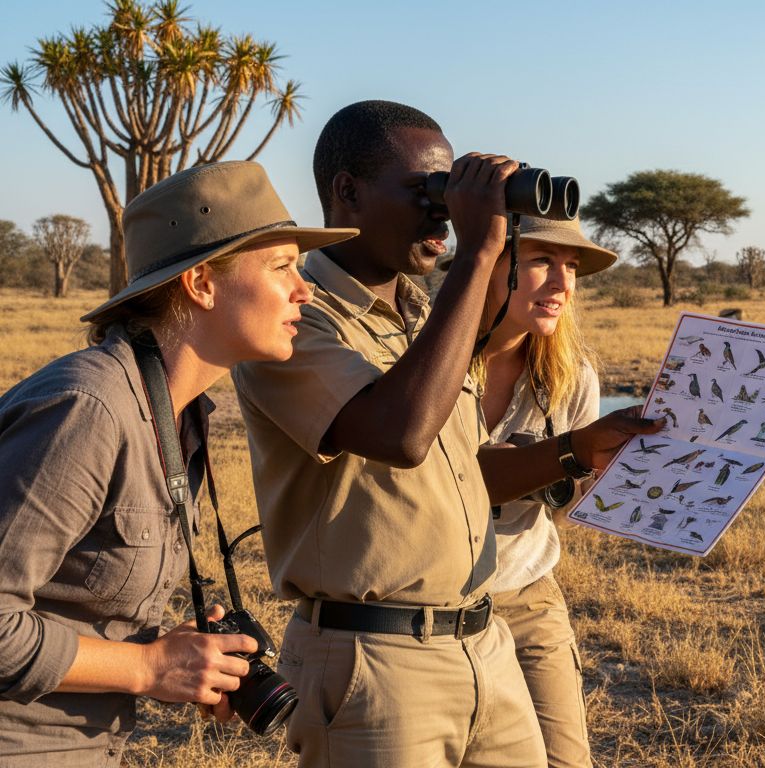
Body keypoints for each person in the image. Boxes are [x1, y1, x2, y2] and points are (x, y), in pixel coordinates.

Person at [231, 100, 659, 767]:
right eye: (425, 191)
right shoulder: (300, 320)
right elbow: (402, 435)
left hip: (480, 637)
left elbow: (462, 465)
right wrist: (482, 250)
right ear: (347, 192)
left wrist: (578, 451)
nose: (442, 213)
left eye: (449, 194)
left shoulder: (422, 314)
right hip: (373, 658)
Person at [0, 161, 357, 766]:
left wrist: (179, 659)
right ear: (201, 284)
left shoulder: (171, 412)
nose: (306, 289)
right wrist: (146, 666)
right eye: (282, 267)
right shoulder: (91, 409)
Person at [475, 215, 616, 768]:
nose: (562, 284)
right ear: (485, 263)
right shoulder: (426, 362)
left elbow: (572, 499)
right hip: (430, 598)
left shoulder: (572, 375)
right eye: (540, 262)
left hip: (527, 589)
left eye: (571, 267)